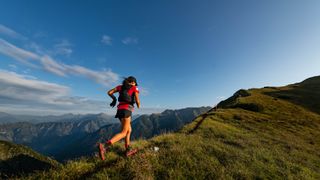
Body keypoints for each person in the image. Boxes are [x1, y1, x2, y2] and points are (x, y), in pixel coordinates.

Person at [98, 76, 140, 160]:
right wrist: (138, 105)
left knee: (129, 130)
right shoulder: (135, 88)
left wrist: (114, 99)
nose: (133, 84)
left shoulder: (120, 87)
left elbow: (109, 92)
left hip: (119, 110)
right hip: (126, 110)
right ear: (134, 83)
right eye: (133, 82)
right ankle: (104, 146)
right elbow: (137, 100)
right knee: (124, 132)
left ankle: (128, 149)